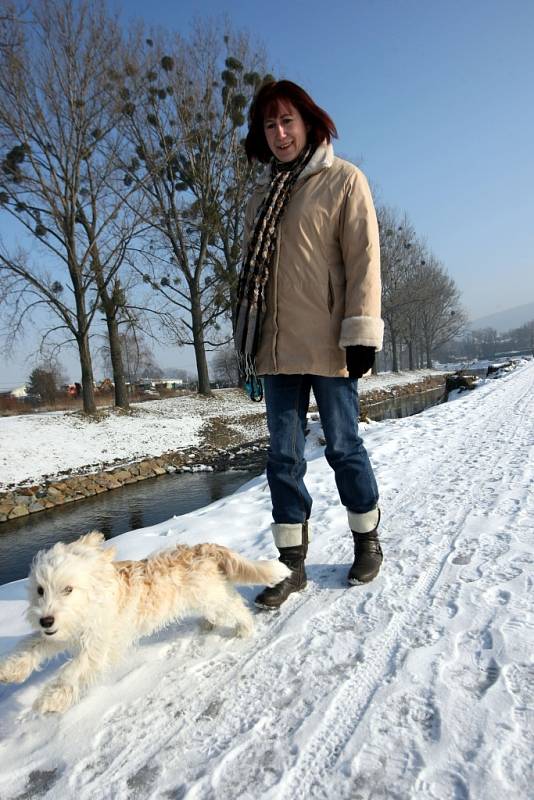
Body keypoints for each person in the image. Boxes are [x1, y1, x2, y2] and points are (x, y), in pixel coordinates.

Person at [234, 80, 384, 609]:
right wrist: (251, 342)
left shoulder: (344, 181)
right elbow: (257, 277)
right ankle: (289, 564)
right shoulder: (260, 195)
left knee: (344, 446)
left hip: (329, 345)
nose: (279, 133)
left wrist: (362, 332)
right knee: (283, 457)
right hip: (275, 351)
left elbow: (364, 260)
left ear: (308, 122)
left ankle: (367, 539)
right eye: (269, 125)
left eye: (287, 121)